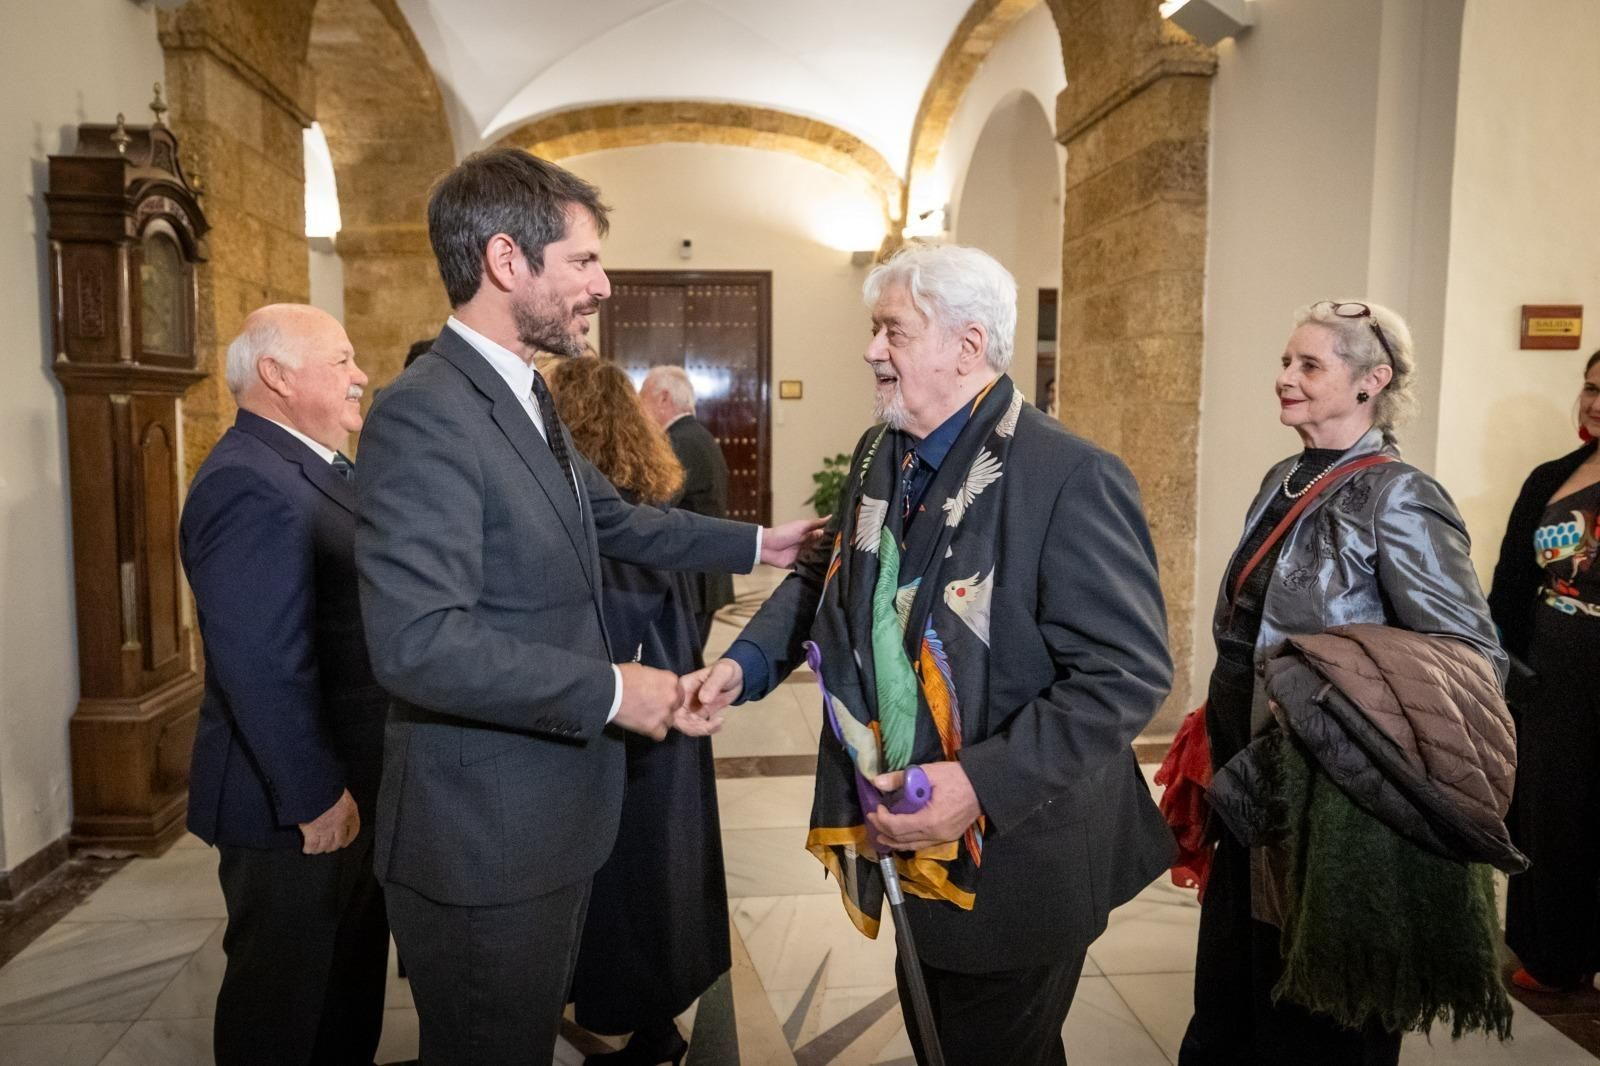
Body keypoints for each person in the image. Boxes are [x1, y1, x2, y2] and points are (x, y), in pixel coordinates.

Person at [352, 147, 822, 1066]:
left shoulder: (524, 391)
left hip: (549, 818)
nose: (602, 285)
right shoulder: (426, 412)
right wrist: (614, 690)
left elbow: (616, 521)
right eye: (583, 261)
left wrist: (757, 544)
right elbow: (416, 644)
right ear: (504, 261)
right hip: (484, 833)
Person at [678, 243, 1175, 1066]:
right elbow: (825, 582)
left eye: (893, 331)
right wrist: (744, 666)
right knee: (943, 1036)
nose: (872, 350)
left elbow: (1125, 676)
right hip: (909, 824)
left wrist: (977, 783)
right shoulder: (884, 453)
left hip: (1020, 851)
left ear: (967, 346)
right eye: (876, 330)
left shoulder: (1070, 474)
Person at [1179, 300, 1508, 1065]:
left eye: (1308, 365)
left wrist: (1341, 697)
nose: (1283, 378)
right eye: (1286, 362)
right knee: (1235, 997)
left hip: (1330, 794)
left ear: (1372, 381)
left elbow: (1469, 655)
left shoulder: (1401, 496)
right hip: (1252, 779)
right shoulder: (1284, 475)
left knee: (1320, 1025)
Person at [180, 303, 389, 1066]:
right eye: (340, 361)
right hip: (293, 800)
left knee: (344, 991)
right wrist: (313, 797)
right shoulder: (248, 481)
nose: (360, 375)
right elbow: (263, 662)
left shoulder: (310, 464)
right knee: (284, 1008)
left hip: (348, 778)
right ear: (276, 374)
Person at [550, 358, 728, 1066]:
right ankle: (652, 1022)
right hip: (665, 709)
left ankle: (628, 1024)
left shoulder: (595, 520)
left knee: (625, 885)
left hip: (628, 724)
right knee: (662, 877)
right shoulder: (643, 499)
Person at [1489, 348, 1600, 993]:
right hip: (1553, 666)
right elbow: (1510, 577)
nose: (1596, 402)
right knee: (1549, 809)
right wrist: (1502, 657)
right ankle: (1551, 954)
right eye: (1590, 387)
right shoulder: (1551, 475)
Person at [641, 365, 736, 644]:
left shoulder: (680, 441)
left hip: (694, 582)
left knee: (681, 670)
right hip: (702, 577)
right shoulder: (696, 434)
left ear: (663, 398)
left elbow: (657, 504)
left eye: (642, 397)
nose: (638, 408)